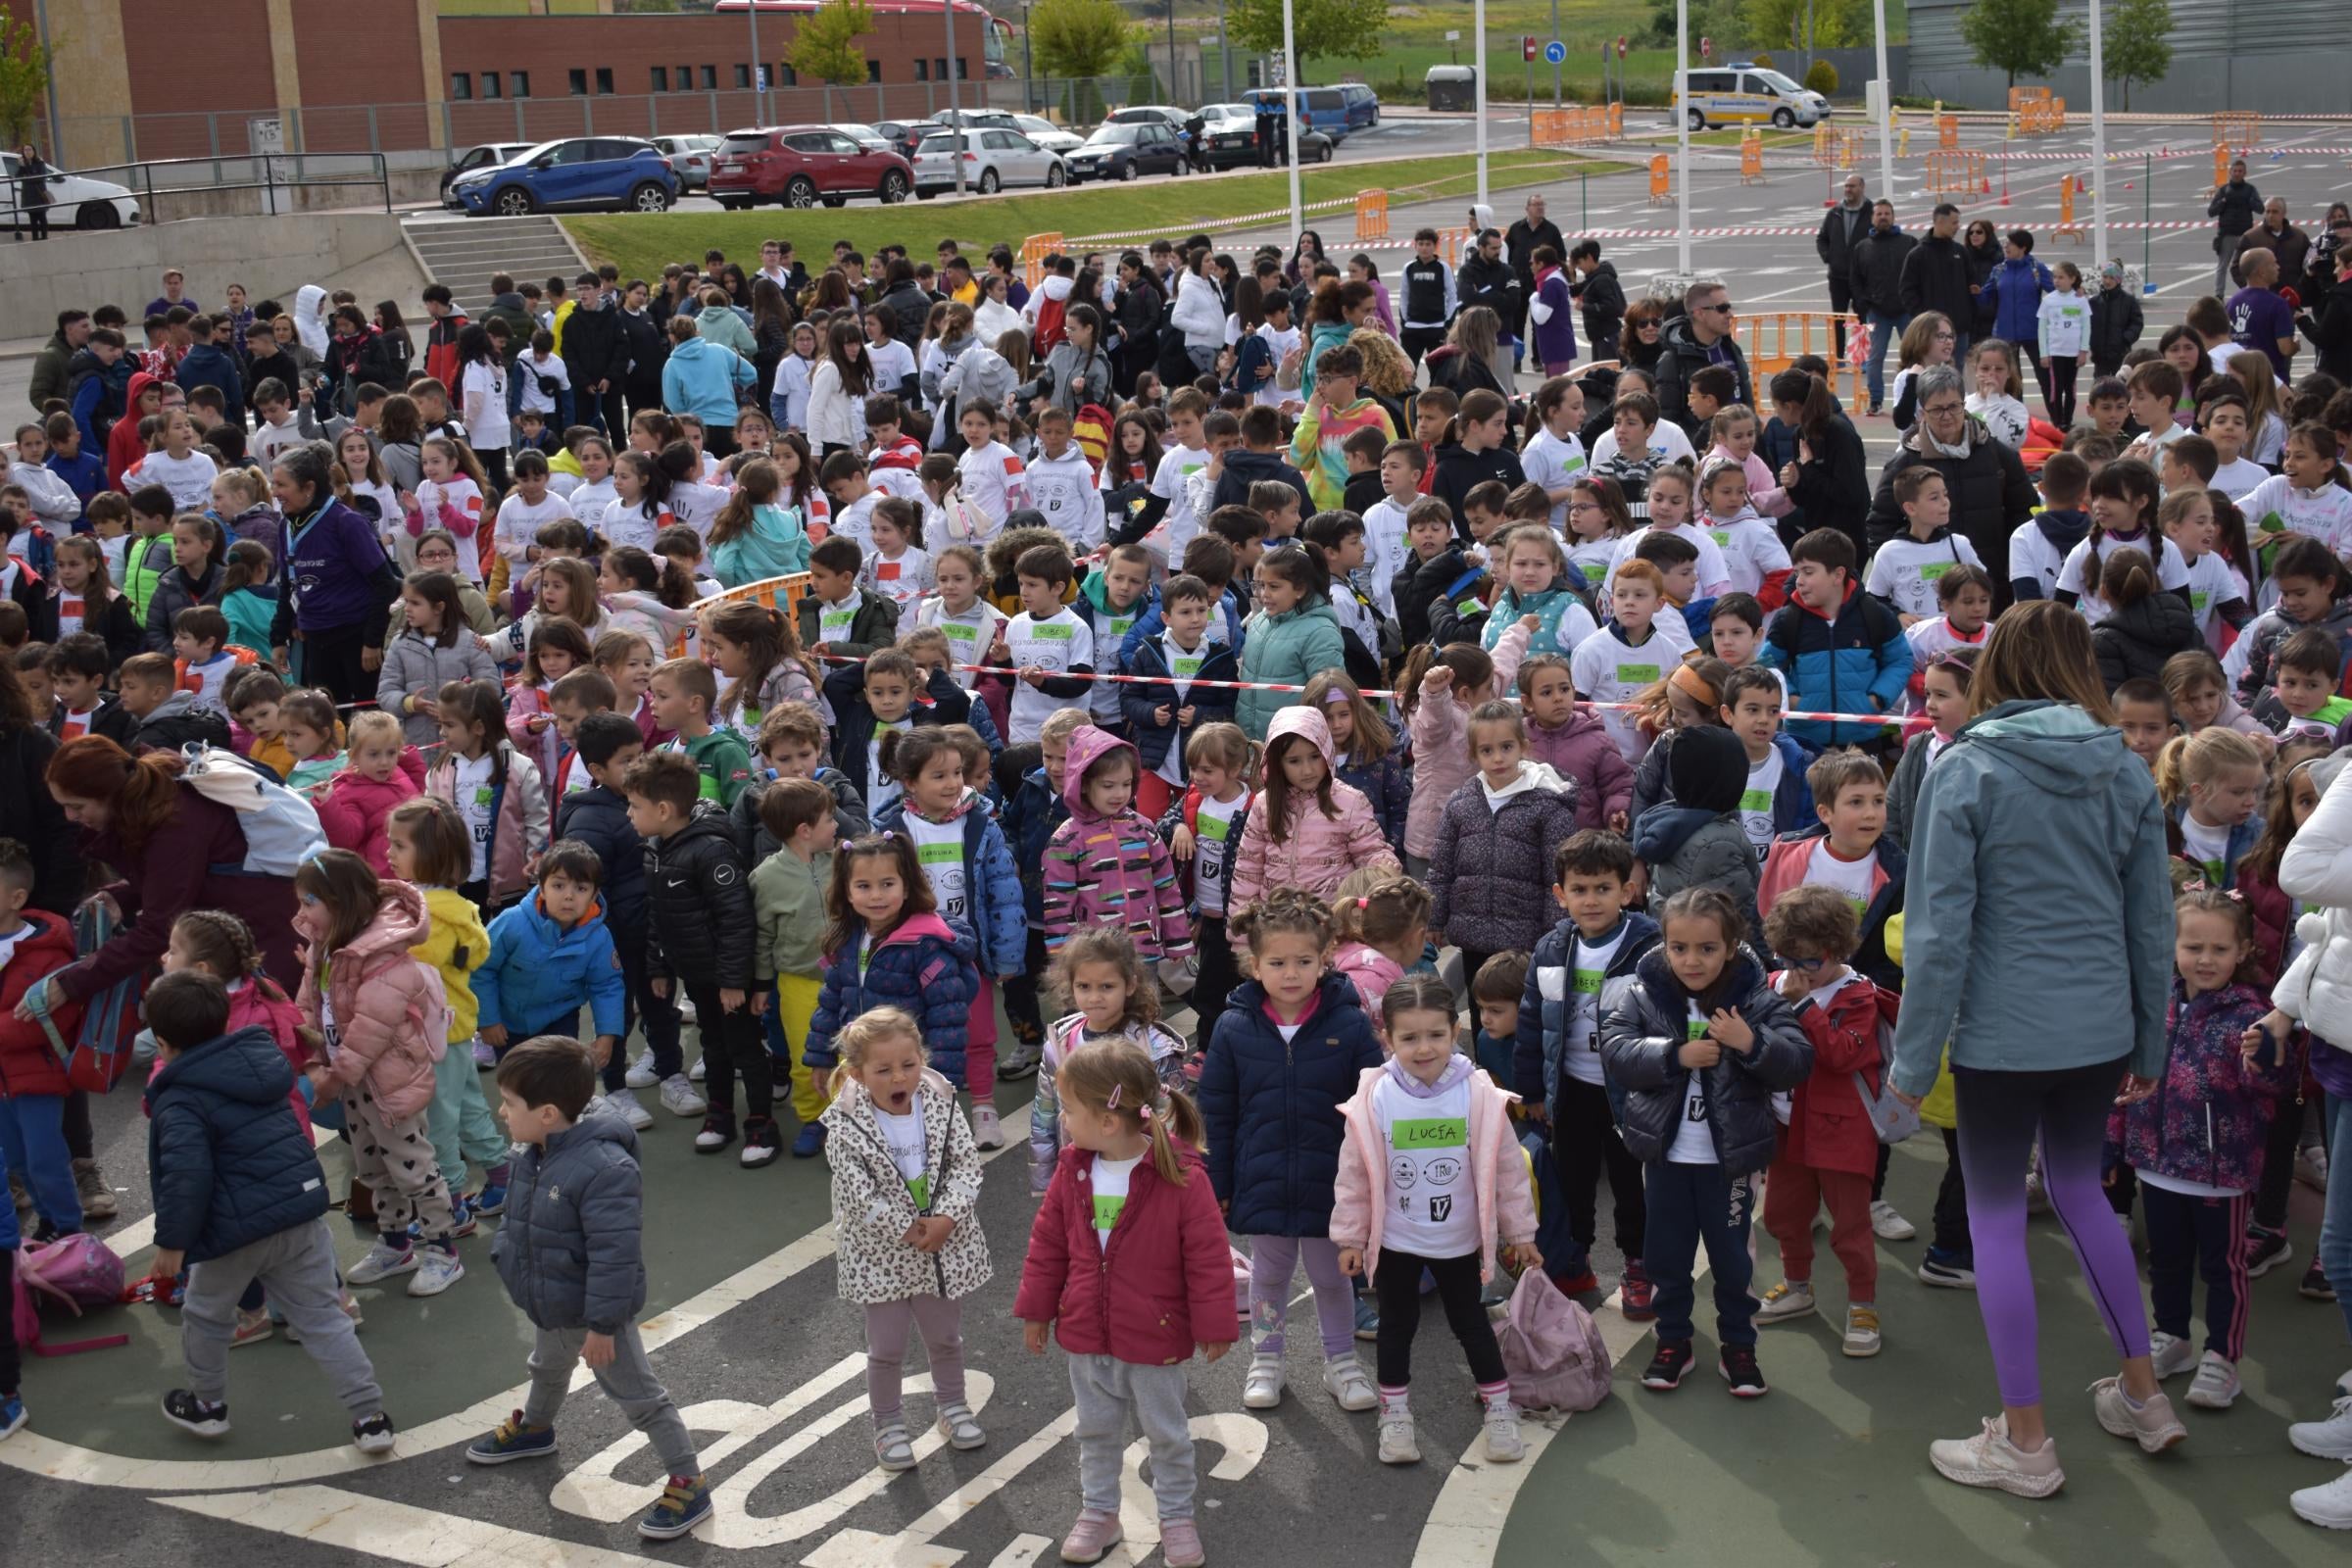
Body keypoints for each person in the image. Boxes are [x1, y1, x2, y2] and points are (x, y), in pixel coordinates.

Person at [1889, 601, 2181, 1497]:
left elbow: (1939, 931)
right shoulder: (2126, 770)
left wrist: (1910, 1063)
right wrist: (2148, 1038)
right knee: (2080, 1193)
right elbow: (2152, 921)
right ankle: (2143, 1395)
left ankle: (2026, 1442)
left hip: (2003, 1032)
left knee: (1995, 1221)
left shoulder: (1967, 767)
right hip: (2097, 1027)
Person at [466, 1035, 713, 1542]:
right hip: (550, 1300)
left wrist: (602, 1326)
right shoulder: (531, 1151)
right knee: (546, 1366)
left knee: (640, 1396)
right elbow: (517, 1220)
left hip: (594, 1312)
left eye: (510, 1103)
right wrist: (511, 1262)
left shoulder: (604, 1168)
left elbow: (614, 1255)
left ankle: (689, 1479)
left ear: (549, 1113)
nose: (502, 1110)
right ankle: (536, 1428)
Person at [141, 970, 397, 1453]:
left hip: (231, 1232)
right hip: (297, 1215)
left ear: (162, 1043)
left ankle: (208, 1406)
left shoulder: (178, 1100)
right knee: (322, 1317)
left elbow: (185, 1177)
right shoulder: (261, 1067)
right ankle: (370, 1417)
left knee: (205, 1316)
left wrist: (173, 1241)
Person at [1016, 1038, 1231, 1568]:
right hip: (1088, 1330)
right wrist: (1038, 1309)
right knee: (1094, 1431)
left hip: (1154, 1336)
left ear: (1108, 1121)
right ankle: (1099, 1513)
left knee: (1167, 1434)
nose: (1063, 1120)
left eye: (1069, 1109)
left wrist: (1214, 1325)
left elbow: (1207, 1259)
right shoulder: (1075, 1169)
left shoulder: (1180, 1176)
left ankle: (1176, 1518)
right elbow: (1049, 1245)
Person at [1602, 885, 1811, 1396]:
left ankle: (1739, 1344)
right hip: (1668, 1158)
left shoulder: (1757, 1000)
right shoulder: (1643, 992)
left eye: (1707, 948)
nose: (1691, 960)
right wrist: (1674, 1054)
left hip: (1731, 1163)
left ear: (1733, 946)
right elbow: (1615, 1048)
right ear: (1665, 945)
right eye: (1679, 948)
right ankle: (1672, 1339)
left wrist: (1751, 1042)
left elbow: (1798, 1059)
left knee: (1732, 1261)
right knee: (1666, 1257)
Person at [1200, 887, 1386, 1415]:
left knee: (1333, 1277)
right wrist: (1220, 1185)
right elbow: (1217, 1111)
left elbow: (1372, 1105)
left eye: (1304, 961)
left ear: (1324, 960)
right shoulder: (1233, 1028)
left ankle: (1341, 1363)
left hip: (1334, 1181)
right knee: (1269, 1275)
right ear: (1254, 965)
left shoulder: (1348, 1023)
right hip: (1260, 1177)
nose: (1291, 973)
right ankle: (1267, 1359)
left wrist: (1372, 1184)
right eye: (1277, 962)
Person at [820, 1006, 993, 1473]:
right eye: (884, 1070)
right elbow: (858, 1194)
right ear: (857, 1074)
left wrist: (946, 1219)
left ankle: (952, 1407)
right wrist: (907, 1227)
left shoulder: (942, 1100)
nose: (900, 1077)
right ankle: (889, 1423)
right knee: (887, 1348)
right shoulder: (842, 1125)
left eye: (909, 1064)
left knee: (945, 1337)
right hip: (881, 1256)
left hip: (940, 1248)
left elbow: (965, 1166)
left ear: (922, 1059)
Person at [624, 752, 769, 1162]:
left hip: (725, 980)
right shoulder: (656, 847)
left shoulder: (710, 852)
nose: (629, 814)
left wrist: (732, 981)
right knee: (713, 1044)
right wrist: (659, 966)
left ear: (665, 809)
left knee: (745, 1048)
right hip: (696, 974)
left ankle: (760, 1124)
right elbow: (659, 914)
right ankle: (720, 1114)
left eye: (635, 806)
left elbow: (737, 920)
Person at [1866, 366, 2036, 600]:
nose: (1947, 416)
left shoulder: (1997, 454)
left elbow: (2024, 511)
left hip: (1991, 588)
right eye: (1937, 409)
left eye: (1954, 407)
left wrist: (2010, 564)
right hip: (1927, 595)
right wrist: (1901, 569)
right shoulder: (1906, 462)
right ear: (1922, 412)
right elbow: (1879, 524)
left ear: (1964, 405)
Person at [1654, 279, 1752, 441]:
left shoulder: (1732, 349)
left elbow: (1747, 401)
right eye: (1722, 309)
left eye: (1729, 307)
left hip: (1741, 447)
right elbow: (1668, 417)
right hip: (1702, 451)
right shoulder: (1673, 360)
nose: (1730, 314)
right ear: (1699, 313)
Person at [1901, 204, 1978, 362]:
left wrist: (1968, 315)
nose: (1958, 227)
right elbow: (1907, 290)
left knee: (1955, 375)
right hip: (1931, 330)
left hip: (1959, 329)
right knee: (1931, 373)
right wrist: (1923, 317)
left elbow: (1972, 283)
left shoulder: (1960, 252)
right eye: (1954, 222)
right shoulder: (1918, 254)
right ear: (1940, 222)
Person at [1817, 175, 1872, 361]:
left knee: (1863, 318)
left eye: (1852, 186)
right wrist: (1829, 257)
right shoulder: (1835, 212)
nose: (1848, 189)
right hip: (1838, 277)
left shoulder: (1871, 211)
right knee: (1838, 318)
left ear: (1862, 187)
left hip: (1862, 277)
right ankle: (1839, 356)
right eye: (1846, 186)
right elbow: (1822, 238)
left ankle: (1862, 357)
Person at [2209, 158, 2261, 296]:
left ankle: (2249, 292)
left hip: (2245, 235)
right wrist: (2222, 202)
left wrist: (2251, 202)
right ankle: (2219, 295)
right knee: (2222, 267)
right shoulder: (2224, 190)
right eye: (2235, 171)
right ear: (2230, 172)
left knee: (2247, 266)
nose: (2237, 174)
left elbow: (2261, 209)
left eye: (2240, 171)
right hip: (2227, 234)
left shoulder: (2250, 190)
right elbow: (2211, 211)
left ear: (2245, 173)